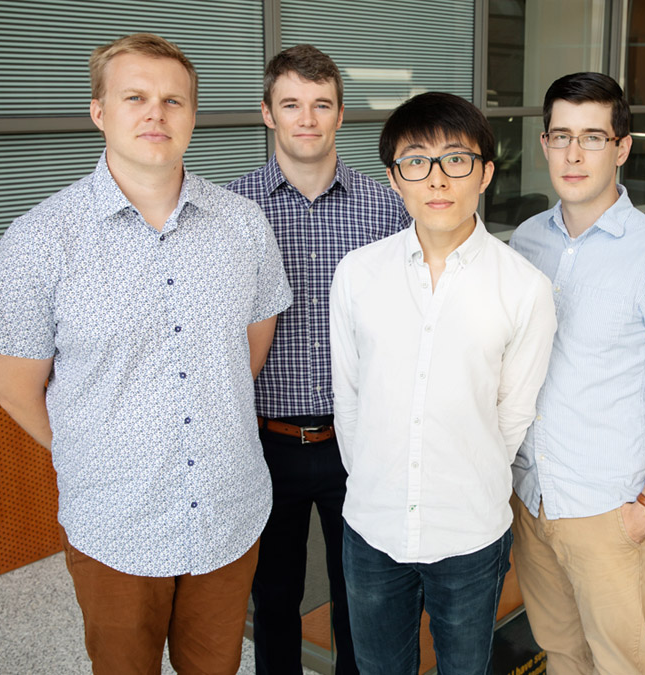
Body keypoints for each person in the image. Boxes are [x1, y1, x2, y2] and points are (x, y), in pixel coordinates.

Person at [0, 33, 291, 674]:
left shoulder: (243, 224)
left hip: (228, 512)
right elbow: (13, 388)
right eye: (135, 97)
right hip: (115, 523)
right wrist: (96, 454)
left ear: (193, 117)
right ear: (99, 111)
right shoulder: (39, 239)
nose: (156, 113)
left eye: (174, 100)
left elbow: (247, 350)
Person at [330, 91, 557, 674]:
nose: (437, 179)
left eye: (456, 159)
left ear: (483, 173)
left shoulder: (524, 287)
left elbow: (513, 415)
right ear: (394, 178)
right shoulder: (358, 274)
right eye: (416, 161)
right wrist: (379, 477)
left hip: (471, 529)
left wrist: (465, 472)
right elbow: (349, 399)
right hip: (372, 526)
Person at [508, 72, 645, 675]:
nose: (574, 154)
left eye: (593, 137)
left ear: (621, 148)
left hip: (609, 509)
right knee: (561, 653)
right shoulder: (525, 242)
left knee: (621, 664)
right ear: (544, 143)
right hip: (532, 495)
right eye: (562, 136)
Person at [225, 44, 408, 675]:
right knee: (272, 595)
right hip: (262, 440)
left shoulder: (385, 207)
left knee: (362, 595)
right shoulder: (229, 211)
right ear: (268, 113)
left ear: (339, 114)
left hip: (355, 439)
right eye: (292, 104)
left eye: (321, 104)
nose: (307, 118)